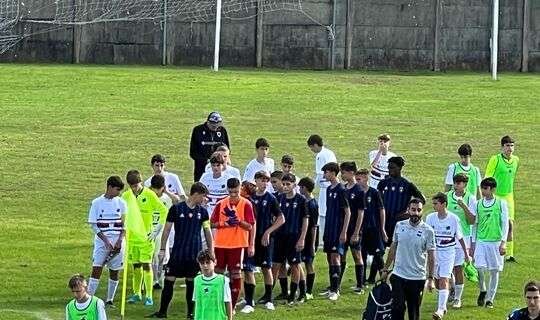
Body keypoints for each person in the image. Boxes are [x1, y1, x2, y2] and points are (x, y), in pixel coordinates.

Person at [147, 182, 213, 319]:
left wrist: (211, 251)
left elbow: (208, 232)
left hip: (194, 255)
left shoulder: (203, 212)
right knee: (169, 280)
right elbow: (166, 230)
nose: (204, 199)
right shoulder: (176, 209)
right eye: (203, 196)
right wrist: (163, 249)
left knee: (191, 283)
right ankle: (162, 312)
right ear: (196, 194)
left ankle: (190, 313)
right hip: (178, 253)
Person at [381, 198, 436, 320]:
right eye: (413, 210)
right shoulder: (400, 225)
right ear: (408, 210)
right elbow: (393, 248)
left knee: (414, 312)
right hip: (398, 275)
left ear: (422, 211)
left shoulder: (428, 231)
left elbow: (432, 256)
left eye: (419, 210)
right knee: (397, 308)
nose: (416, 213)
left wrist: (431, 278)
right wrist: (385, 269)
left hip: (417, 278)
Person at [122, 170, 168, 306]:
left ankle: (149, 295)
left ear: (141, 183)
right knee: (135, 265)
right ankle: (137, 293)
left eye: (136, 186)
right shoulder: (126, 196)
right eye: (132, 186)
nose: (134, 189)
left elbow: (163, 210)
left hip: (146, 237)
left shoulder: (149, 195)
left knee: (146, 264)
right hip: (132, 237)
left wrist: (156, 230)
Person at [241, 171, 285, 313]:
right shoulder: (249, 198)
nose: (264, 183)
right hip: (249, 238)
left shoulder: (271, 198)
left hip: (265, 239)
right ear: (256, 181)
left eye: (266, 181)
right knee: (248, 269)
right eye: (261, 180)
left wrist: (268, 232)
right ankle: (249, 302)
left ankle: (269, 299)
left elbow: (281, 218)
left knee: (266, 268)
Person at [211, 177, 255, 310]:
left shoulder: (246, 204)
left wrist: (239, 221)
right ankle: (217, 302)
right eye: (231, 192)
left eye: (236, 192)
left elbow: (250, 226)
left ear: (240, 188)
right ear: (227, 190)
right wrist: (225, 223)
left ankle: (232, 306)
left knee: (235, 273)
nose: (233, 195)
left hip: (237, 244)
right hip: (220, 244)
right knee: (218, 273)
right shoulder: (221, 203)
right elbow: (211, 223)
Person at [425, 192, 470, 319]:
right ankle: (443, 305)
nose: (433, 206)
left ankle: (440, 309)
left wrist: (466, 254)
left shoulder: (454, 219)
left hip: (448, 252)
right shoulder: (430, 218)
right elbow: (427, 236)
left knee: (444, 278)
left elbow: (460, 238)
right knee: (438, 280)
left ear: (444, 204)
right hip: (435, 253)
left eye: (435, 204)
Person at [86, 176, 127, 307]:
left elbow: (125, 225)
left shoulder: (121, 203)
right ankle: (90, 299)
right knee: (96, 268)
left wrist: (120, 241)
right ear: (109, 187)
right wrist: (106, 241)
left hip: (118, 243)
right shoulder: (96, 203)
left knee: (115, 271)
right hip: (102, 242)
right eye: (117, 189)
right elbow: (94, 225)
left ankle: (109, 300)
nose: (118, 193)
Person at [472, 177, 509, 309]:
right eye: (482, 188)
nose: (482, 191)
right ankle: (483, 289)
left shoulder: (501, 203)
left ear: (492, 189)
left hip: (496, 242)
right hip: (481, 241)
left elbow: (505, 224)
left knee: (494, 271)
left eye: (485, 188)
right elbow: (474, 225)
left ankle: (490, 299)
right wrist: (473, 243)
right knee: (479, 269)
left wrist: (503, 242)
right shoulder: (477, 204)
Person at [272, 173, 309, 305]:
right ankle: (284, 292)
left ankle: (295, 293)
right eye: (284, 184)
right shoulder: (279, 198)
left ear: (294, 184)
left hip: (294, 236)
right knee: (279, 264)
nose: (286, 186)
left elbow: (305, 220)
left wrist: (302, 238)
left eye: (289, 184)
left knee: (295, 265)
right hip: (280, 236)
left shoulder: (301, 200)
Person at [485, 135, 519, 262]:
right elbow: (488, 176)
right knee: (495, 223)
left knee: (510, 223)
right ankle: (492, 249)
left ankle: (509, 254)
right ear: (502, 147)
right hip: (497, 195)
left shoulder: (516, 160)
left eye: (512, 145)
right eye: (507, 146)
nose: (510, 148)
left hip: (509, 196)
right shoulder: (495, 160)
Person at [377, 156, 425, 246]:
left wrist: (409, 212)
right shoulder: (383, 183)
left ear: (399, 168)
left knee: (397, 249)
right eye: (389, 167)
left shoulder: (407, 185)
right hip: (384, 222)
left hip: (398, 222)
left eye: (392, 167)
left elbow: (422, 199)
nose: (389, 170)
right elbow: (377, 201)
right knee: (379, 251)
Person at [320, 162, 350, 301]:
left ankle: (335, 290)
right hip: (329, 228)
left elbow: (347, 212)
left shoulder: (341, 190)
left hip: (338, 229)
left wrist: (344, 232)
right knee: (329, 257)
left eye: (326, 172)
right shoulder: (328, 190)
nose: (324, 175)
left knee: (335, 257)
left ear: (332, 173)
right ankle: (332, 286)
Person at [447, 173, 477, 308]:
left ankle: (457, 299)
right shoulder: (447, 196)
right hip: (447, 237)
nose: (456, 185)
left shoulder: (471, 198)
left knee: (458, 268)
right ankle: (452, 289)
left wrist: (464, 206)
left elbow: (472, 221)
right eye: (455, 183)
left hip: (463, 237)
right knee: (447, 268)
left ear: (465, 184)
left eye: (459, 183)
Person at [355, 169, 387, 284]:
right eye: (356, 179)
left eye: (359, 179)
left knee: (378, 255)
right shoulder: (357, 194)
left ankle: (383, 280)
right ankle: (362, 281)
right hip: (361, 229)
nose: (357, 182)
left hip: (374, 228)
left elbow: (381, 210)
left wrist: (382, 229)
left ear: (366, 178)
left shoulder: (374, 193)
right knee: (361, 255)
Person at [339, 161, 365, 294]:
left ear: (351, 173)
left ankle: (360, 285)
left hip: (354, 228)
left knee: (356, 255)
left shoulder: (359, 190)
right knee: (341, 255)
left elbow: (361, 213)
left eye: (343, 172)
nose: (342, 175)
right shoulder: (343, 189)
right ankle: (336, 284)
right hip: (343, 229)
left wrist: (356, 232)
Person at [307, 134, 337, 246]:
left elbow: (320, 174)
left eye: (311, 147)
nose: (312, 150)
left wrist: (312, 186)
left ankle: (322, 240)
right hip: (332, 185)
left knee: (322, 213)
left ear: (315, 145)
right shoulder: (330, 153)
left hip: (325, 187)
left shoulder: (320, 155)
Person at [148, 175, 176, 290]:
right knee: (151, 257)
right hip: (149, 230)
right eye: (155, 188)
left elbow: (177, 201)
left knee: (162, 257)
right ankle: (153, 280)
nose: (156, 191)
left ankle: (161, 279)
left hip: (163, 231)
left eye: (159, 188)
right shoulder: (148, 198)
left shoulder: (167, 199)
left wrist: (168, 192)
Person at [190, 111, 230, 182]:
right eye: (213, 124)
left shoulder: (222, 131)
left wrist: (222, 160)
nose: (215, 126)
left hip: (219, 167)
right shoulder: (198, 130)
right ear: (207, 122)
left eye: (217, 124)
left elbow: (227, 149)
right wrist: (207, 161)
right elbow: (193, 152)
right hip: (201, 168)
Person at [193, 249, 233, 320]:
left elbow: (228, 302)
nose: (205, 266)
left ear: (215, 262)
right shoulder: (197, 280)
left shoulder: (223, 280)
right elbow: (197, 301)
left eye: (208, 262)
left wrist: (230, 318)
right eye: (202, 263)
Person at [298, 177, 319, 300]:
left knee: (308, 264)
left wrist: (312, 244)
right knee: (301, 263)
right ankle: (303, 289)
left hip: (310, 238)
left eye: (300, 187)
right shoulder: (304, 202)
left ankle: (309, 291)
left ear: (304, 188)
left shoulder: (312, 204)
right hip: (303, 236)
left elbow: (314, 226)